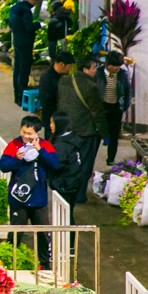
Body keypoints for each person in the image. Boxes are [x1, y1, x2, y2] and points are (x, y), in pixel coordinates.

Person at [0, 116, 59, 269]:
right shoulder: (14, 145)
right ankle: (10, 264)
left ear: (37, 133)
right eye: (24, 132)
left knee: (43, 234)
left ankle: (45, 266)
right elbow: (3, 166)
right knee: (15, 233)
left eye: (30, 133)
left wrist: (40, 150)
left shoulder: (45, 145)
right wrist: (17, 159)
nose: (26, 136)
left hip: (39, 199)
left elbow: (55, 164)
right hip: (18, 199)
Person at [57, 54, 106, 199]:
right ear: (85, 69)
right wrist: (105, 134)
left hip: (67, 130)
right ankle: (79, 195)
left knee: (68, 162)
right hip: (85, 132)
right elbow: (97, 113)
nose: (95, 70)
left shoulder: (64, 80)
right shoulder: (91, 87)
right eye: (93, 68)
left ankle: (65, 190)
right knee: (84, 164)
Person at [8, 0, 42, 106]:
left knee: (17, 69)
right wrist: (37, 25)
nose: (35, 5)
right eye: (36, 2)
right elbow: (28, 28)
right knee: (24, 70)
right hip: (26, 43)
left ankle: (16, 94)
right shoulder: (26, 11)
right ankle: (21, 96)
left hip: (17, 42)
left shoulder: (14, 8)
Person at [97, 51, 131, 164]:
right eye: (114, 65)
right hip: (101, 108)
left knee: (114, 136)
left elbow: (127, 91)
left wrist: (124, 106)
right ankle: (90, 160)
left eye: (119, 66)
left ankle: (110, 161)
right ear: (107, 64)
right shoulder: (98, 74)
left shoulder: (123, 74)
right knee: (97, 136)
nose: (117, 68)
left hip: (116, 108)